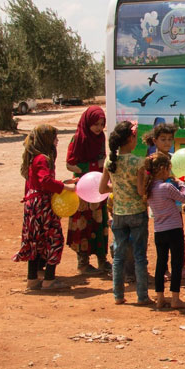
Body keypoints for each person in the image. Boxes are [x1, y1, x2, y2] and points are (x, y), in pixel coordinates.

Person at [15, 124, 77, 291]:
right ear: (47, 139)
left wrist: (63, 183)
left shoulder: (33, 157)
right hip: (42, 205)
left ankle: (32, 279)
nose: (57, 141)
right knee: (54, 239)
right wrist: (66, 188)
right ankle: (49, 279)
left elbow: (42, 181)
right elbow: (45, 182)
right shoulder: (43, 159)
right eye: (54, 138)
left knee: (35, 241)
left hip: (32, 204)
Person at [99, 121, 151, 305]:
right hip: (137, 213)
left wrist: (119, 187)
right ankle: (142, 296)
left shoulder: (110, 161)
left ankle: (118, 295)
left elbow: (102, 188)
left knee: (119, 256)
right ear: (130, 138)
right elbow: (139, 191)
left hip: (118, 214)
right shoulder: (138, 162)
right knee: (139, 256)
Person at [142, 122, 185, 278]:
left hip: (175, 203)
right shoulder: (151, 160)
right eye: (163, 139)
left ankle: (181, 266)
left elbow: (181, 177)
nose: (167, 142)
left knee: (179, 236)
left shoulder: (175, 159)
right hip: (159, 205)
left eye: (170, 139)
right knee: (162, 238)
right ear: (155, 140)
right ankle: (164, 268)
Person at [144, 152, 185, 309]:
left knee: (160, 263)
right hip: (174, 229)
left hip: (159, 230)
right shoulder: (167, 187)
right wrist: (181, 184)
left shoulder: (149, 188)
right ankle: (175, 298)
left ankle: (159, 298)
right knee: (176, 263)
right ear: (163, 169)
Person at [66, 106, 110, 275]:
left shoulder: (100, 138)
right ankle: (83, 263)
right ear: (87, 123)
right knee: (83, 224)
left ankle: (102, 261)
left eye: (101, 124)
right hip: (83, 188)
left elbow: (103, 159)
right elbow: (70, 164)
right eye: (95, 124)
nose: (98, 128)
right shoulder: (78, 138)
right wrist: (92, 166)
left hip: (98, 187)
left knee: (100, 222)